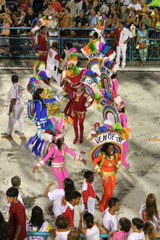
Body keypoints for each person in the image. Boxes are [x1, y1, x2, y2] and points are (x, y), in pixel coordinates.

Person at [25, 88, 63, 156]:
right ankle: (36, 148)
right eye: (43, 93)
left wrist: (61, 94)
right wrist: (39, 127)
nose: (44, 94)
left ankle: (39, 148)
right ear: (40, 94)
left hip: (46, 121)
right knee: (41, 137)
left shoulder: (44, 100)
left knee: (44, 136)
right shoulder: (38, 103)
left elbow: (52, 99)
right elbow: (38, 115)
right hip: (41, 123)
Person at [93, 143, 122, 212]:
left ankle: (106, 206)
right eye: (109, 148)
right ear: (106, 150)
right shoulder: (102, 156)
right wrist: (99, 170)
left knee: (111, 193)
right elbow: (95, 161)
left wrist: (117, 166)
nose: (111, 150)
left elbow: (121, 157)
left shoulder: (116, 155)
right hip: (105, 177)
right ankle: (101, 203)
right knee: (107, 193)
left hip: (113, 176)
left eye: (112, 148)